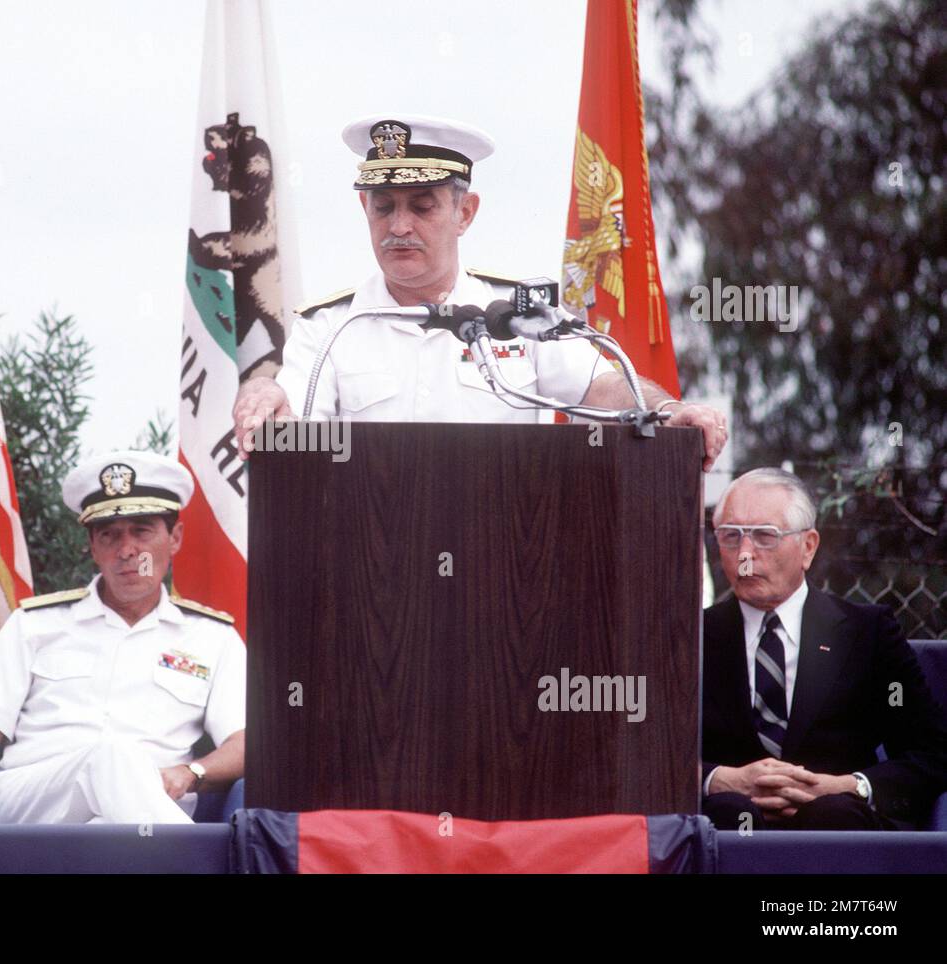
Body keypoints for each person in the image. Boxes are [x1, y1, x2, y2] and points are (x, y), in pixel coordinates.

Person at [231, 113, 728, 471]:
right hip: (372, 575)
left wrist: (666, 410)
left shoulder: (520, 317)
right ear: (366, 211)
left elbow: (600, 387)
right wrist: (262, 392)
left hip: (505, 570)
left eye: (421, 207)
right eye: (384, 207)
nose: (398, 226)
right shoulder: (328, 328)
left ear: (464, 213)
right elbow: (290, 417)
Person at [0, 450, 246, 824]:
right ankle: (191, 862)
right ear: (92, 546)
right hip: (35, 800)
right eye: (109, 535)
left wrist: (192, 773)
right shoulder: (36, 624)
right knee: (109, 757)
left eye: (142, 530)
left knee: (112, 826)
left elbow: (246, 742)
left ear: (175, 538)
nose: (127, 550)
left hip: (147, 807)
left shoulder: (212, 637)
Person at [701, 467, 947, 831]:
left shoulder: (866, 632)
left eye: (765, 537)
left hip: (839, 837)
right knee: (726, 812)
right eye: (731, 537)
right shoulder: (690, 638)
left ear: (808, 546)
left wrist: (850, 787)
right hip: (729, 835)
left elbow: (932, 755)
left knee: (833, 814)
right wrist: (720, 780)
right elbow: (642, 757)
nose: (745, 555)